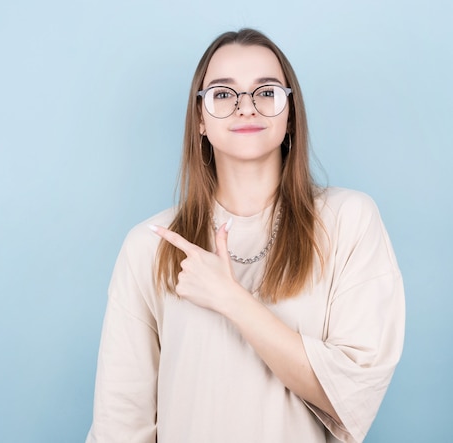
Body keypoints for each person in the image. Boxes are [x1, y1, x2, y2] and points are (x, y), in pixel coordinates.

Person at [86, 28, 404, 443]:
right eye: (223, 94)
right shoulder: (150, 246)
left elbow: (351, 393)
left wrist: (231, 300)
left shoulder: (348, 221)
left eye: (265, 92)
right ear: (200, 119)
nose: (246, 108)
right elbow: (120, 423)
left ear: (290, 112)